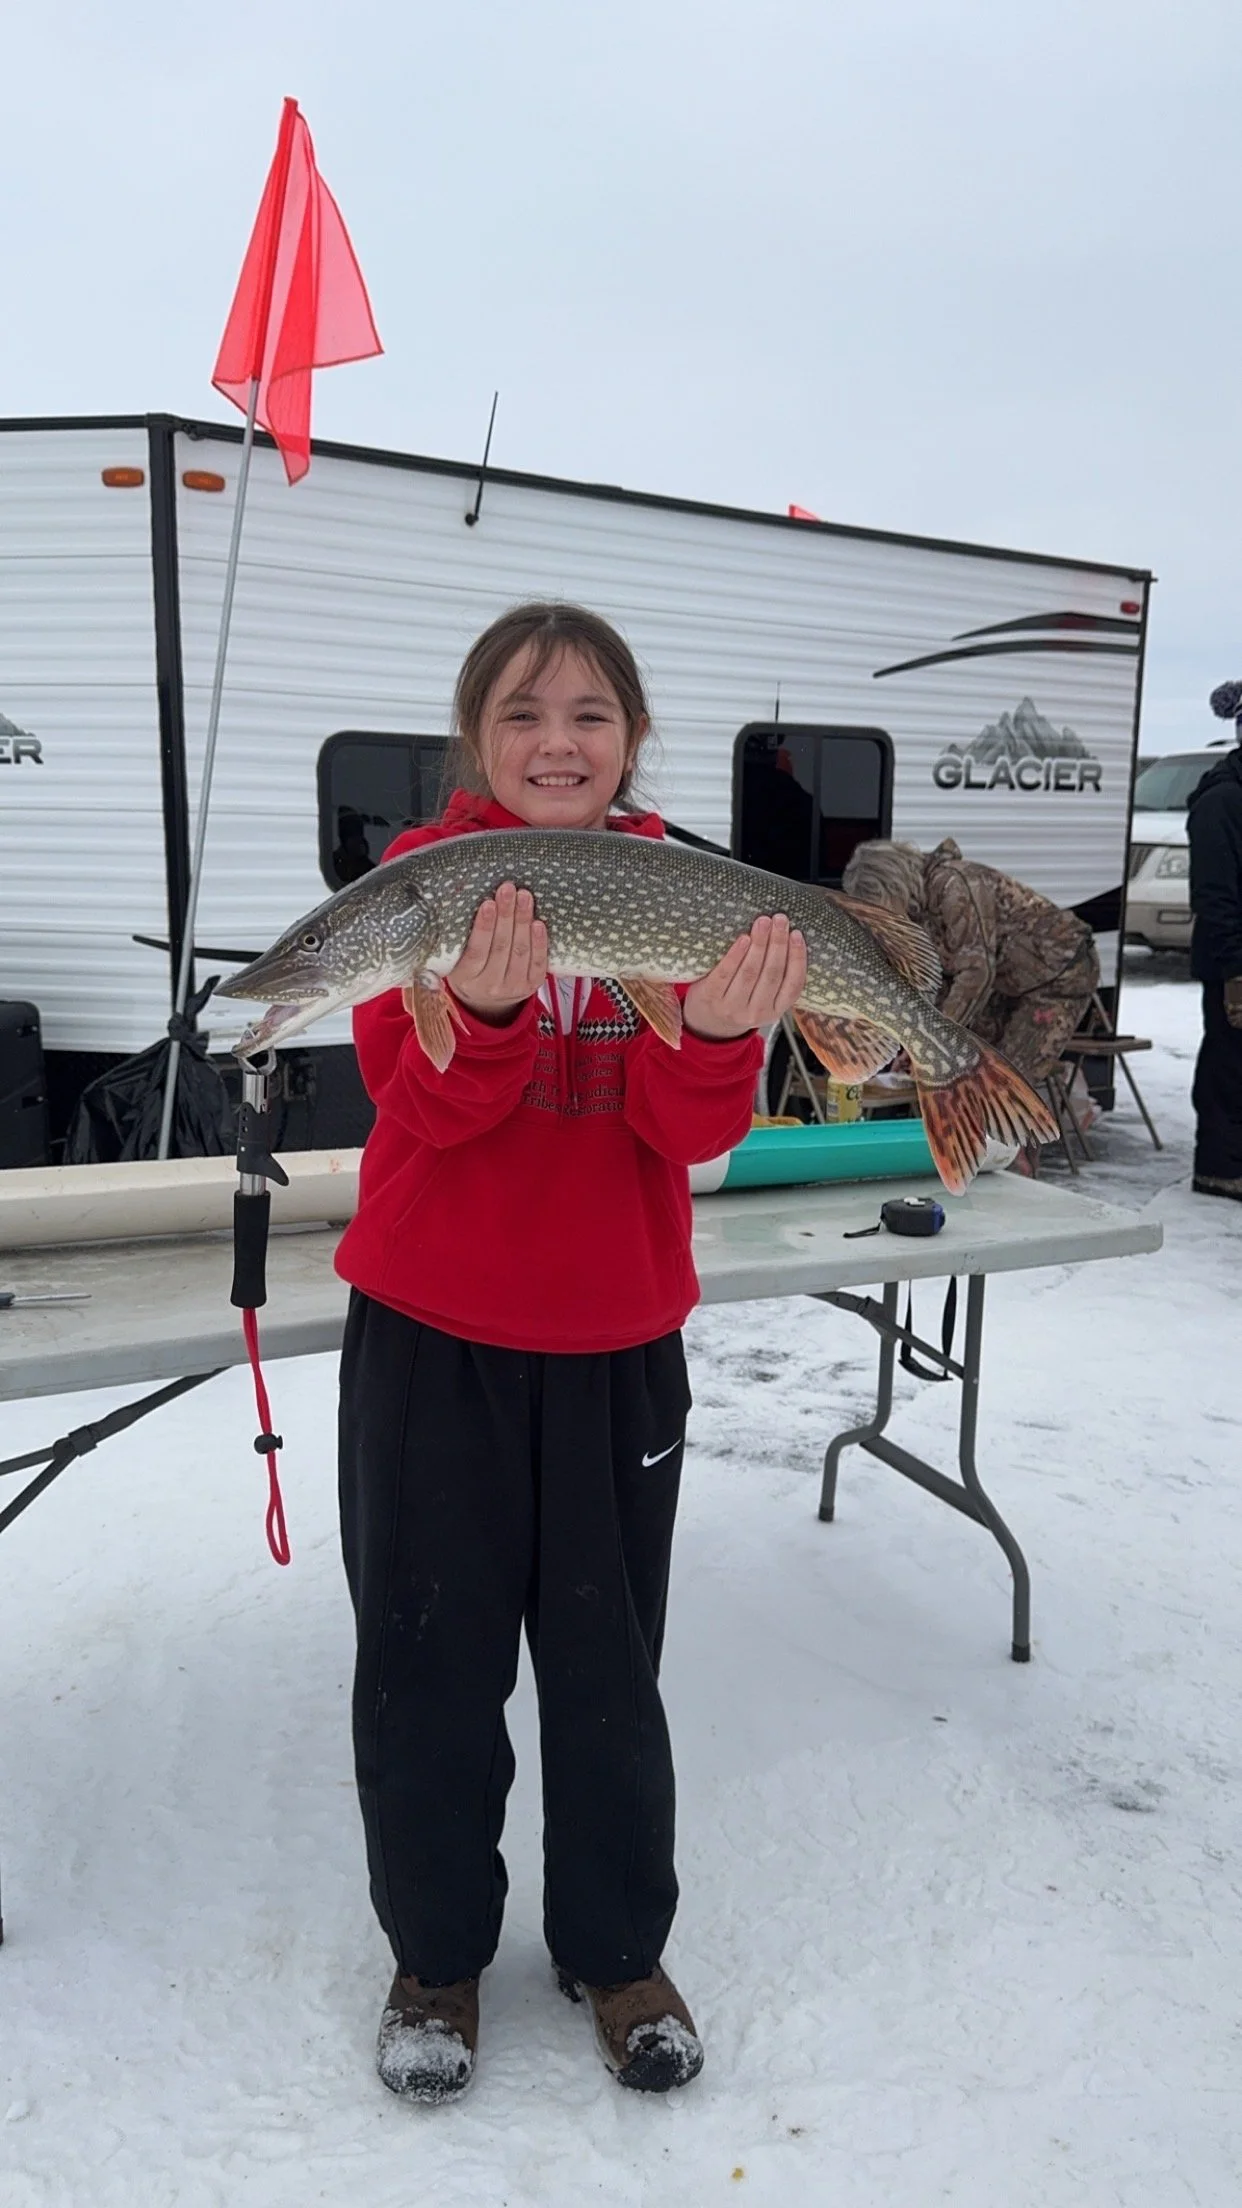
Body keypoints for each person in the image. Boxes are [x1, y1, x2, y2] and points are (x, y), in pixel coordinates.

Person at [333, 602, 807, 2104]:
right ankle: (434, 1955)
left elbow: (688, 1131)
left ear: (632, 740)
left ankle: (616, 1950)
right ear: (477, 736)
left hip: (615, 1342)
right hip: (431, 1340)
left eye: (590, 714)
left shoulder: (691, 899)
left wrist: (724, 1038)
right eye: (525, 714)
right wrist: (475, 1007)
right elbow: (430, 1112)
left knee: (610, 1671)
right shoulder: (423, 888)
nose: (558, 741)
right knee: (428, 1670)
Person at [841, 836, 1099, 1087]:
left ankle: (1009, 1124)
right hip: (1009, 981)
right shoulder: (918, 910)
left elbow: (976, 971)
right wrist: (915, 1049)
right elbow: (941, 981)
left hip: (1061, 975)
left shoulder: (954, 884)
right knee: (967, 1067)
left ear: (893, 887)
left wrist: (931, 1040)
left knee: (1007, 1080)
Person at [1188, 683, 1242, 1201]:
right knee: (1230, 1065)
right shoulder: (1222, 801)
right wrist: (1234, 973)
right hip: (1232, 963)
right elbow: (1216, 894)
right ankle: (1219, 1167)